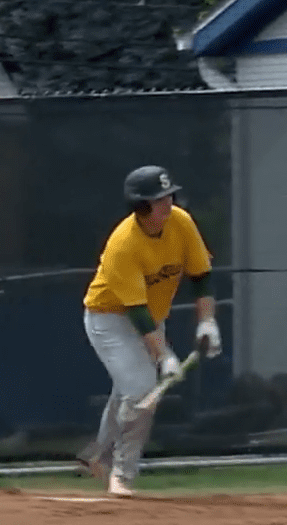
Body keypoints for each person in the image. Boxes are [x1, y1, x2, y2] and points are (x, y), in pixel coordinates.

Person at [75, 165, 223, 497]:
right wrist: (164, 355)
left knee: (128, 390)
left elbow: (201, 277)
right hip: (111, 319)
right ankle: (122, 475)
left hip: (151, 317)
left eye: (169, 196)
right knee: (142, 390)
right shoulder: (123, 244)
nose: (168, 203)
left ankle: (98, 454)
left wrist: (207, 322)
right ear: (141, 207)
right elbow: (137, 313)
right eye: (159, 200)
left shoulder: (181, 222)